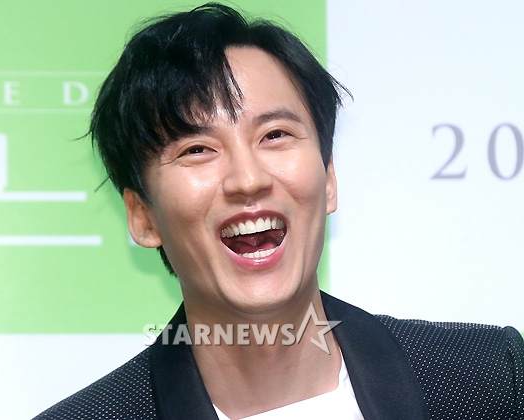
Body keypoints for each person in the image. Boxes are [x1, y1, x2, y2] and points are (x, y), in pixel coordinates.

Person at [34, 3, 524, 419]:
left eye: (274, 135)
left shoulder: (489, 379)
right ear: (143, 216)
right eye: (197, 149)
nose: (248, 179)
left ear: (328, 180)